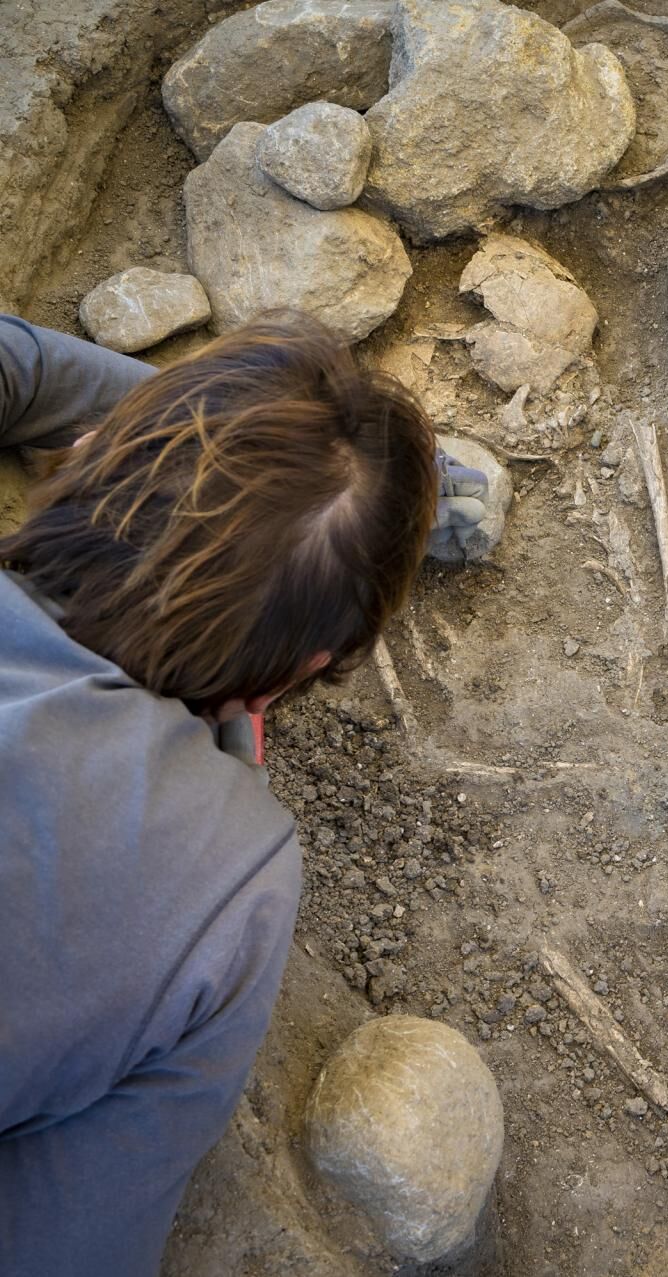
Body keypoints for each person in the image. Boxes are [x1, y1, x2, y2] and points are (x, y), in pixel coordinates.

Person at [0, 312, 471, 1275]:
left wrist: (171, 437)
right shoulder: (226, 875)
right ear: (296, 671)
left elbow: (18, 359)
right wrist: (216, 794)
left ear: (89, 452)